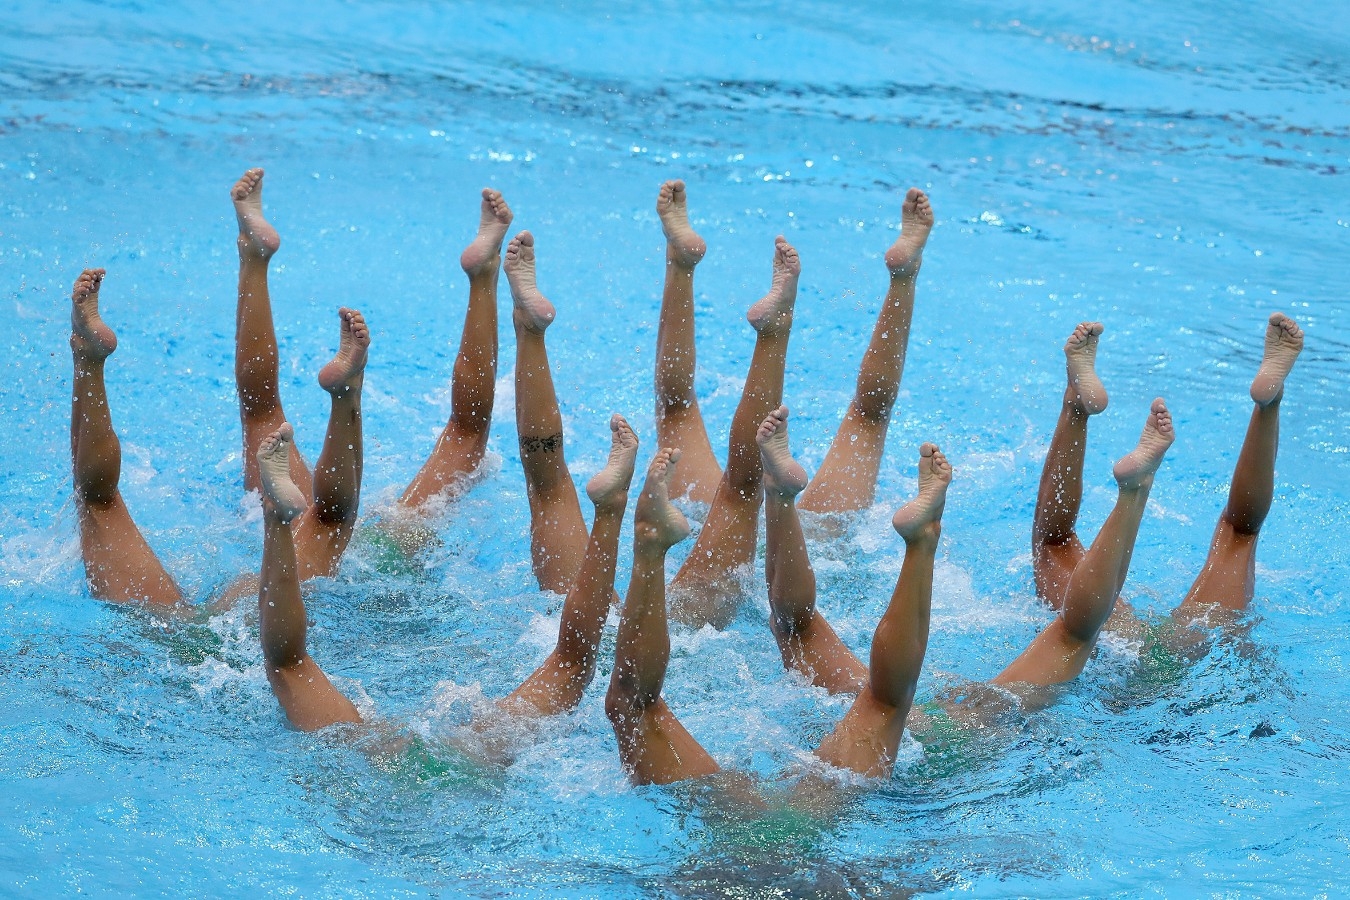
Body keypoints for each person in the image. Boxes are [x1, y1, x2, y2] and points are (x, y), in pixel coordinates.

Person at [754, 394, 1171, 721]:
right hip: (986, 718)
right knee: (1074, 634)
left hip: (912, 740)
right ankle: (1135, 492)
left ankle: (781, 495)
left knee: (808, 638)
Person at [251, 415, 640, 730]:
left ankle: (277, 520)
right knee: (572, 663)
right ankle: (610, 511)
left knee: (289, 664)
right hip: (466, 756)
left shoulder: (362, 746)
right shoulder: (477, 748)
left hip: (373, 754)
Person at [604, 440, 952, 784]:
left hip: (754, 809)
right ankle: (918, 540)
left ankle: (912, 538)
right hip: (812, 800)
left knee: (869, 689)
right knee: (882, 700)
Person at [67, 266, 368, 608]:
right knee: (329, 518)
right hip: (248, 619)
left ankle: (87, 357)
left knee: (98, 503)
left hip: (172, 635)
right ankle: (343, 401)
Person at [651, 180, 934, 516]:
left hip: (710, 529)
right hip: (819, 536)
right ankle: (903, 278)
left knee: (679, 411)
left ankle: (681, 265)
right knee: (868, 417)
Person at [1031, 316, 1304, 645]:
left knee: (1054, 549)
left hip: (1118, 644)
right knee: (1239, 532)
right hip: (1193, 644)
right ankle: (1269, 403)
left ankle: (1076, 406)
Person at [229, 169, 370, 582]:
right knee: (331, 519)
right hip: (293, 594)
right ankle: (346, 394)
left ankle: (253, 256)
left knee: (262, 412)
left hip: (231, 608)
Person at [397, 188, 514, 515]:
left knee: (259, 417)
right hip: (381, 538)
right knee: (465, 432)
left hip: (373, 549)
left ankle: (253, 258)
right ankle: (483, 276)